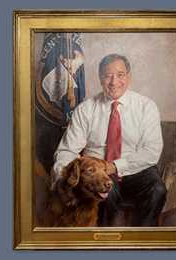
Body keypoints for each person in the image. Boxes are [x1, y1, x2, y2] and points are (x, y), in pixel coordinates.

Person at [52, 53, 167, 226]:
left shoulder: (146, 107)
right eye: (107, 76)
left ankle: (144, 242)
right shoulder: (86, 109)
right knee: (102, 194)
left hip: (135, 169)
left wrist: (114, 166)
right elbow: (67, 150)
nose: (113, 82)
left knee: (158, 190)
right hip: (97, 171)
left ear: (128, 77)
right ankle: (103, 244)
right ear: (100, 78)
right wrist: (63, 175)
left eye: (120, 75)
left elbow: (151, 152)